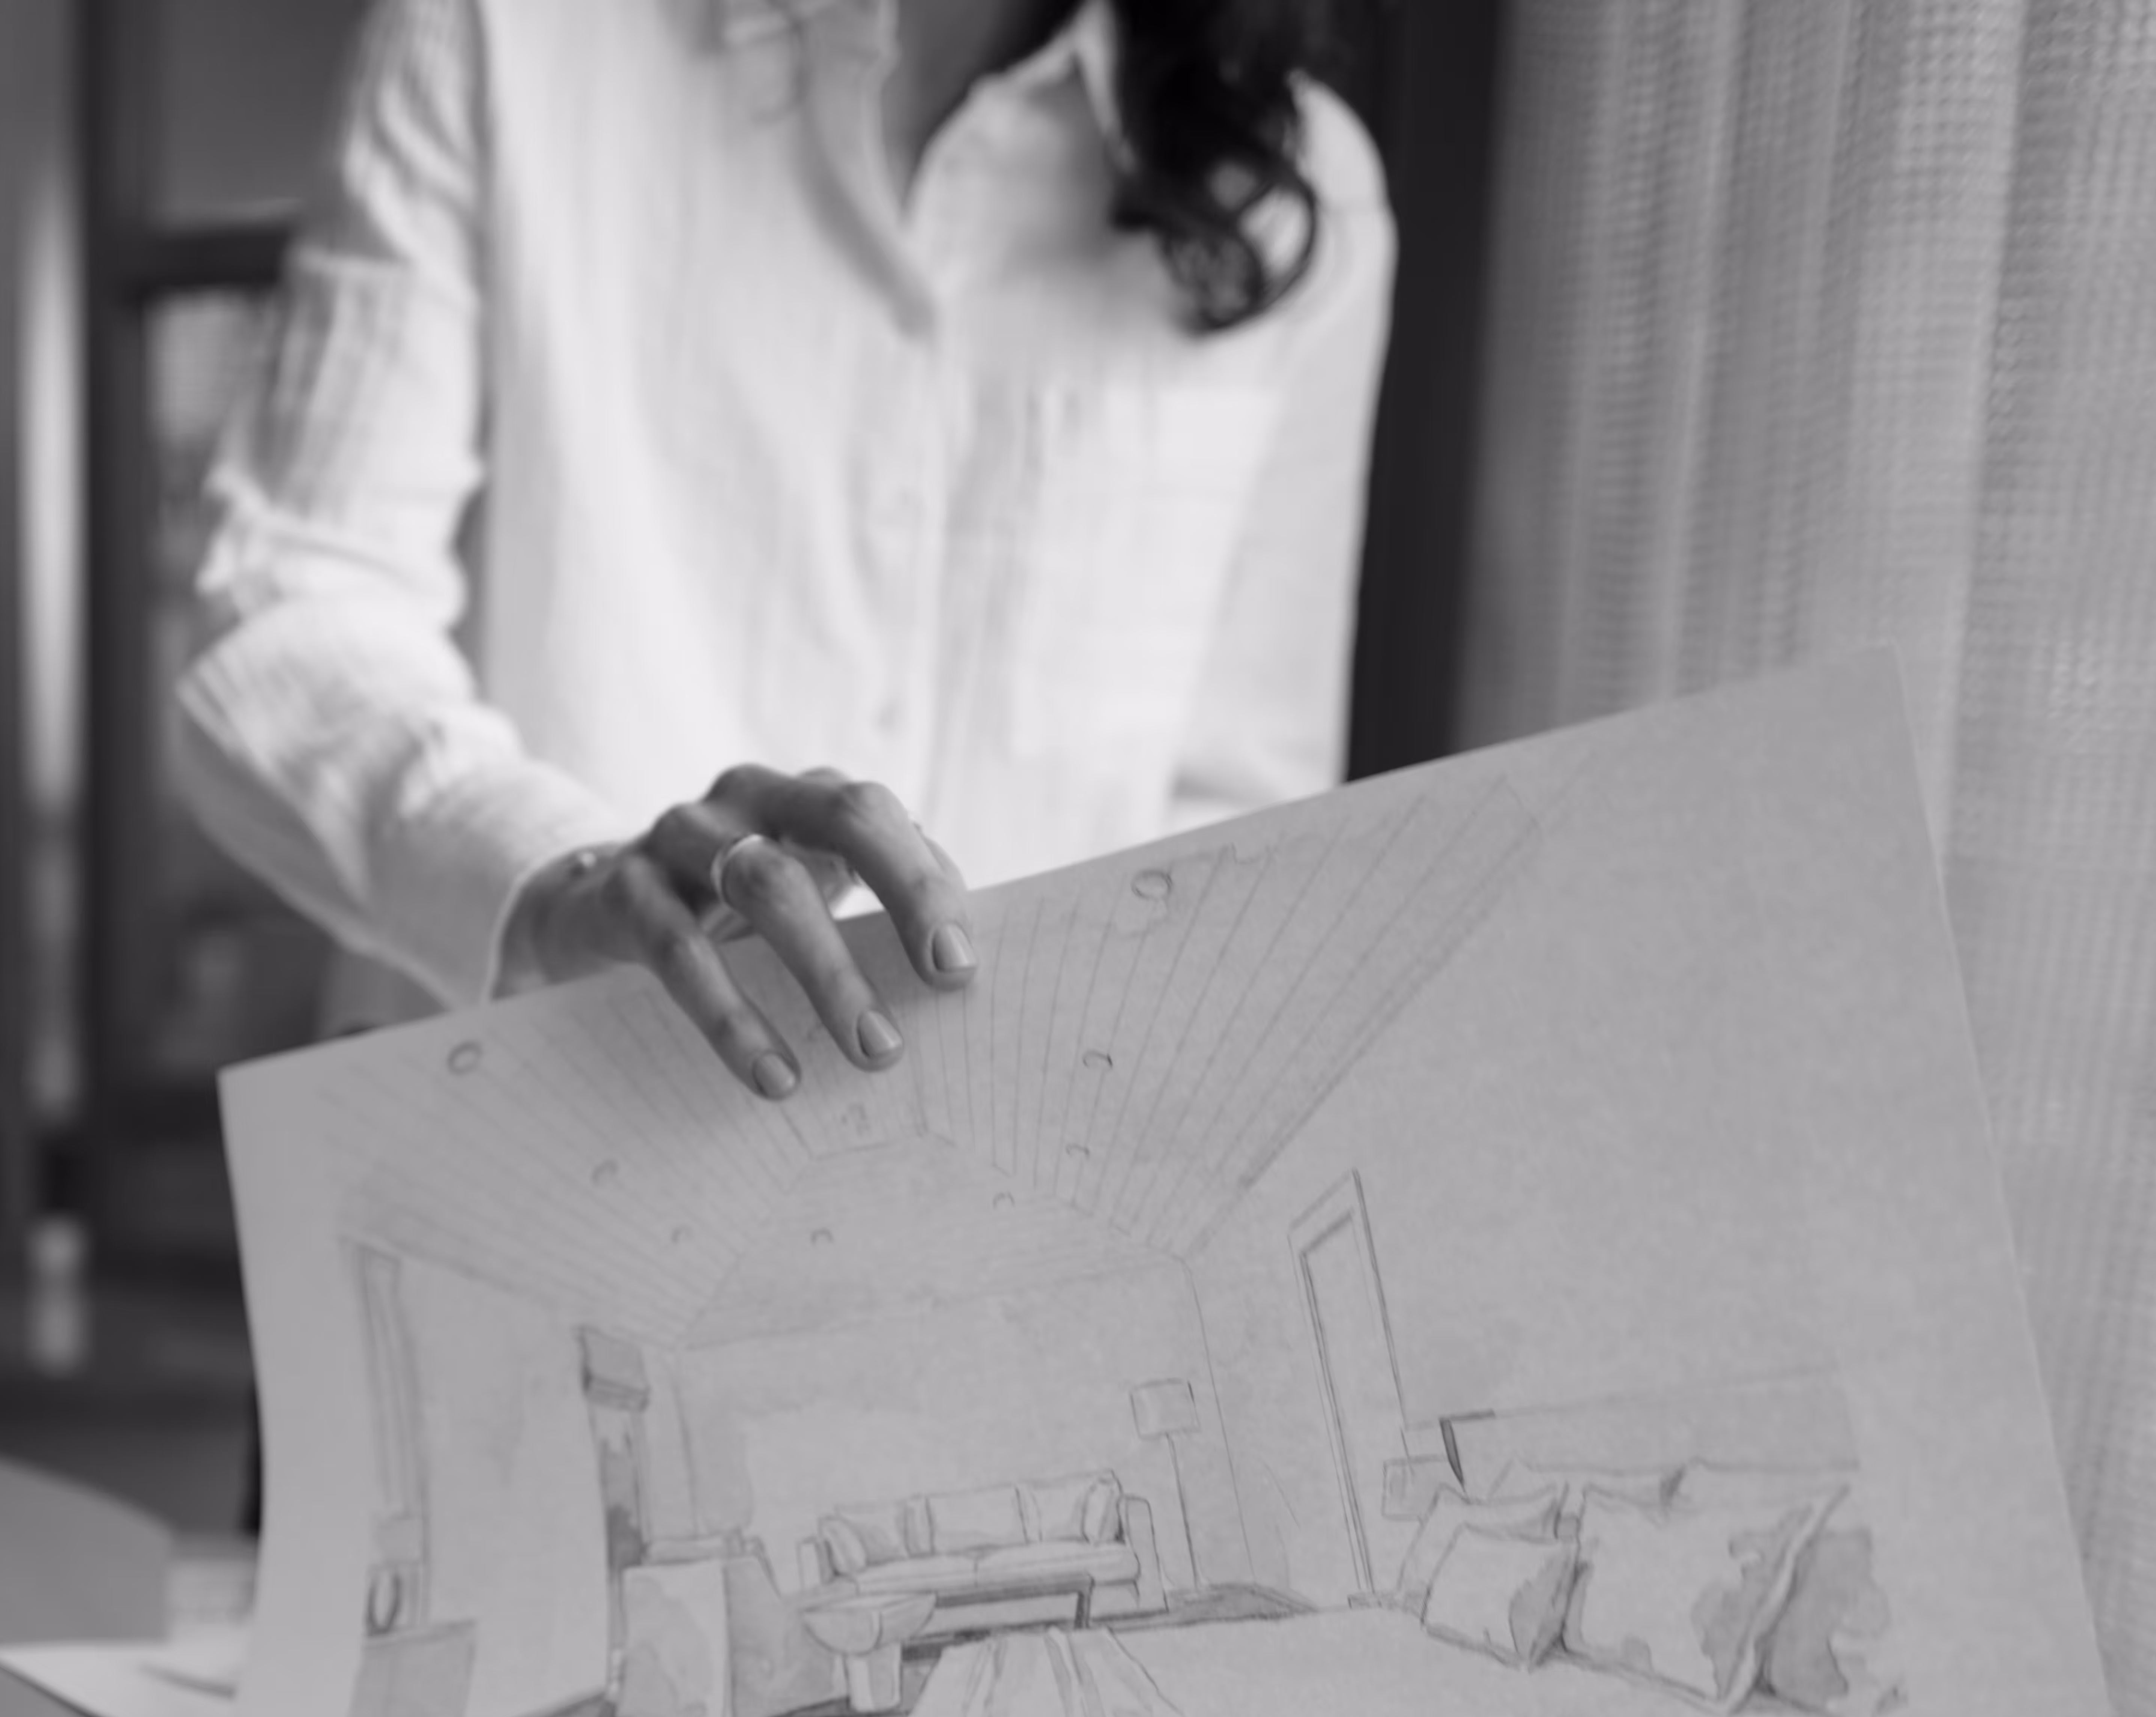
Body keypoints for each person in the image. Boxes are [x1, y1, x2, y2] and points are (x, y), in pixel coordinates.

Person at [177, 0, 1392, 1099]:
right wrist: (555, 878)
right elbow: (287, 611)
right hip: (530, 1156)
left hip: (1036, 1204)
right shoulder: (503, 33)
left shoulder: (1298, 190)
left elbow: (1247, 815)